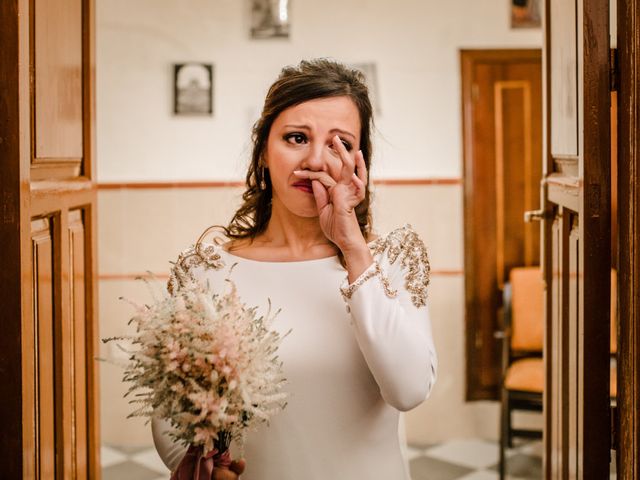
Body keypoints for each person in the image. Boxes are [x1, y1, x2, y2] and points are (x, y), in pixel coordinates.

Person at [152, 58, 437, 480]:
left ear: (359, 163)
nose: (315, 160)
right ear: (264, 151)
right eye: (296, 138)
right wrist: (200, 468)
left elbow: (409, 389)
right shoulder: (206, 270)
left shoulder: (392, 259)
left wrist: (352, 246)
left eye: (338, 144)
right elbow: (169, 417)